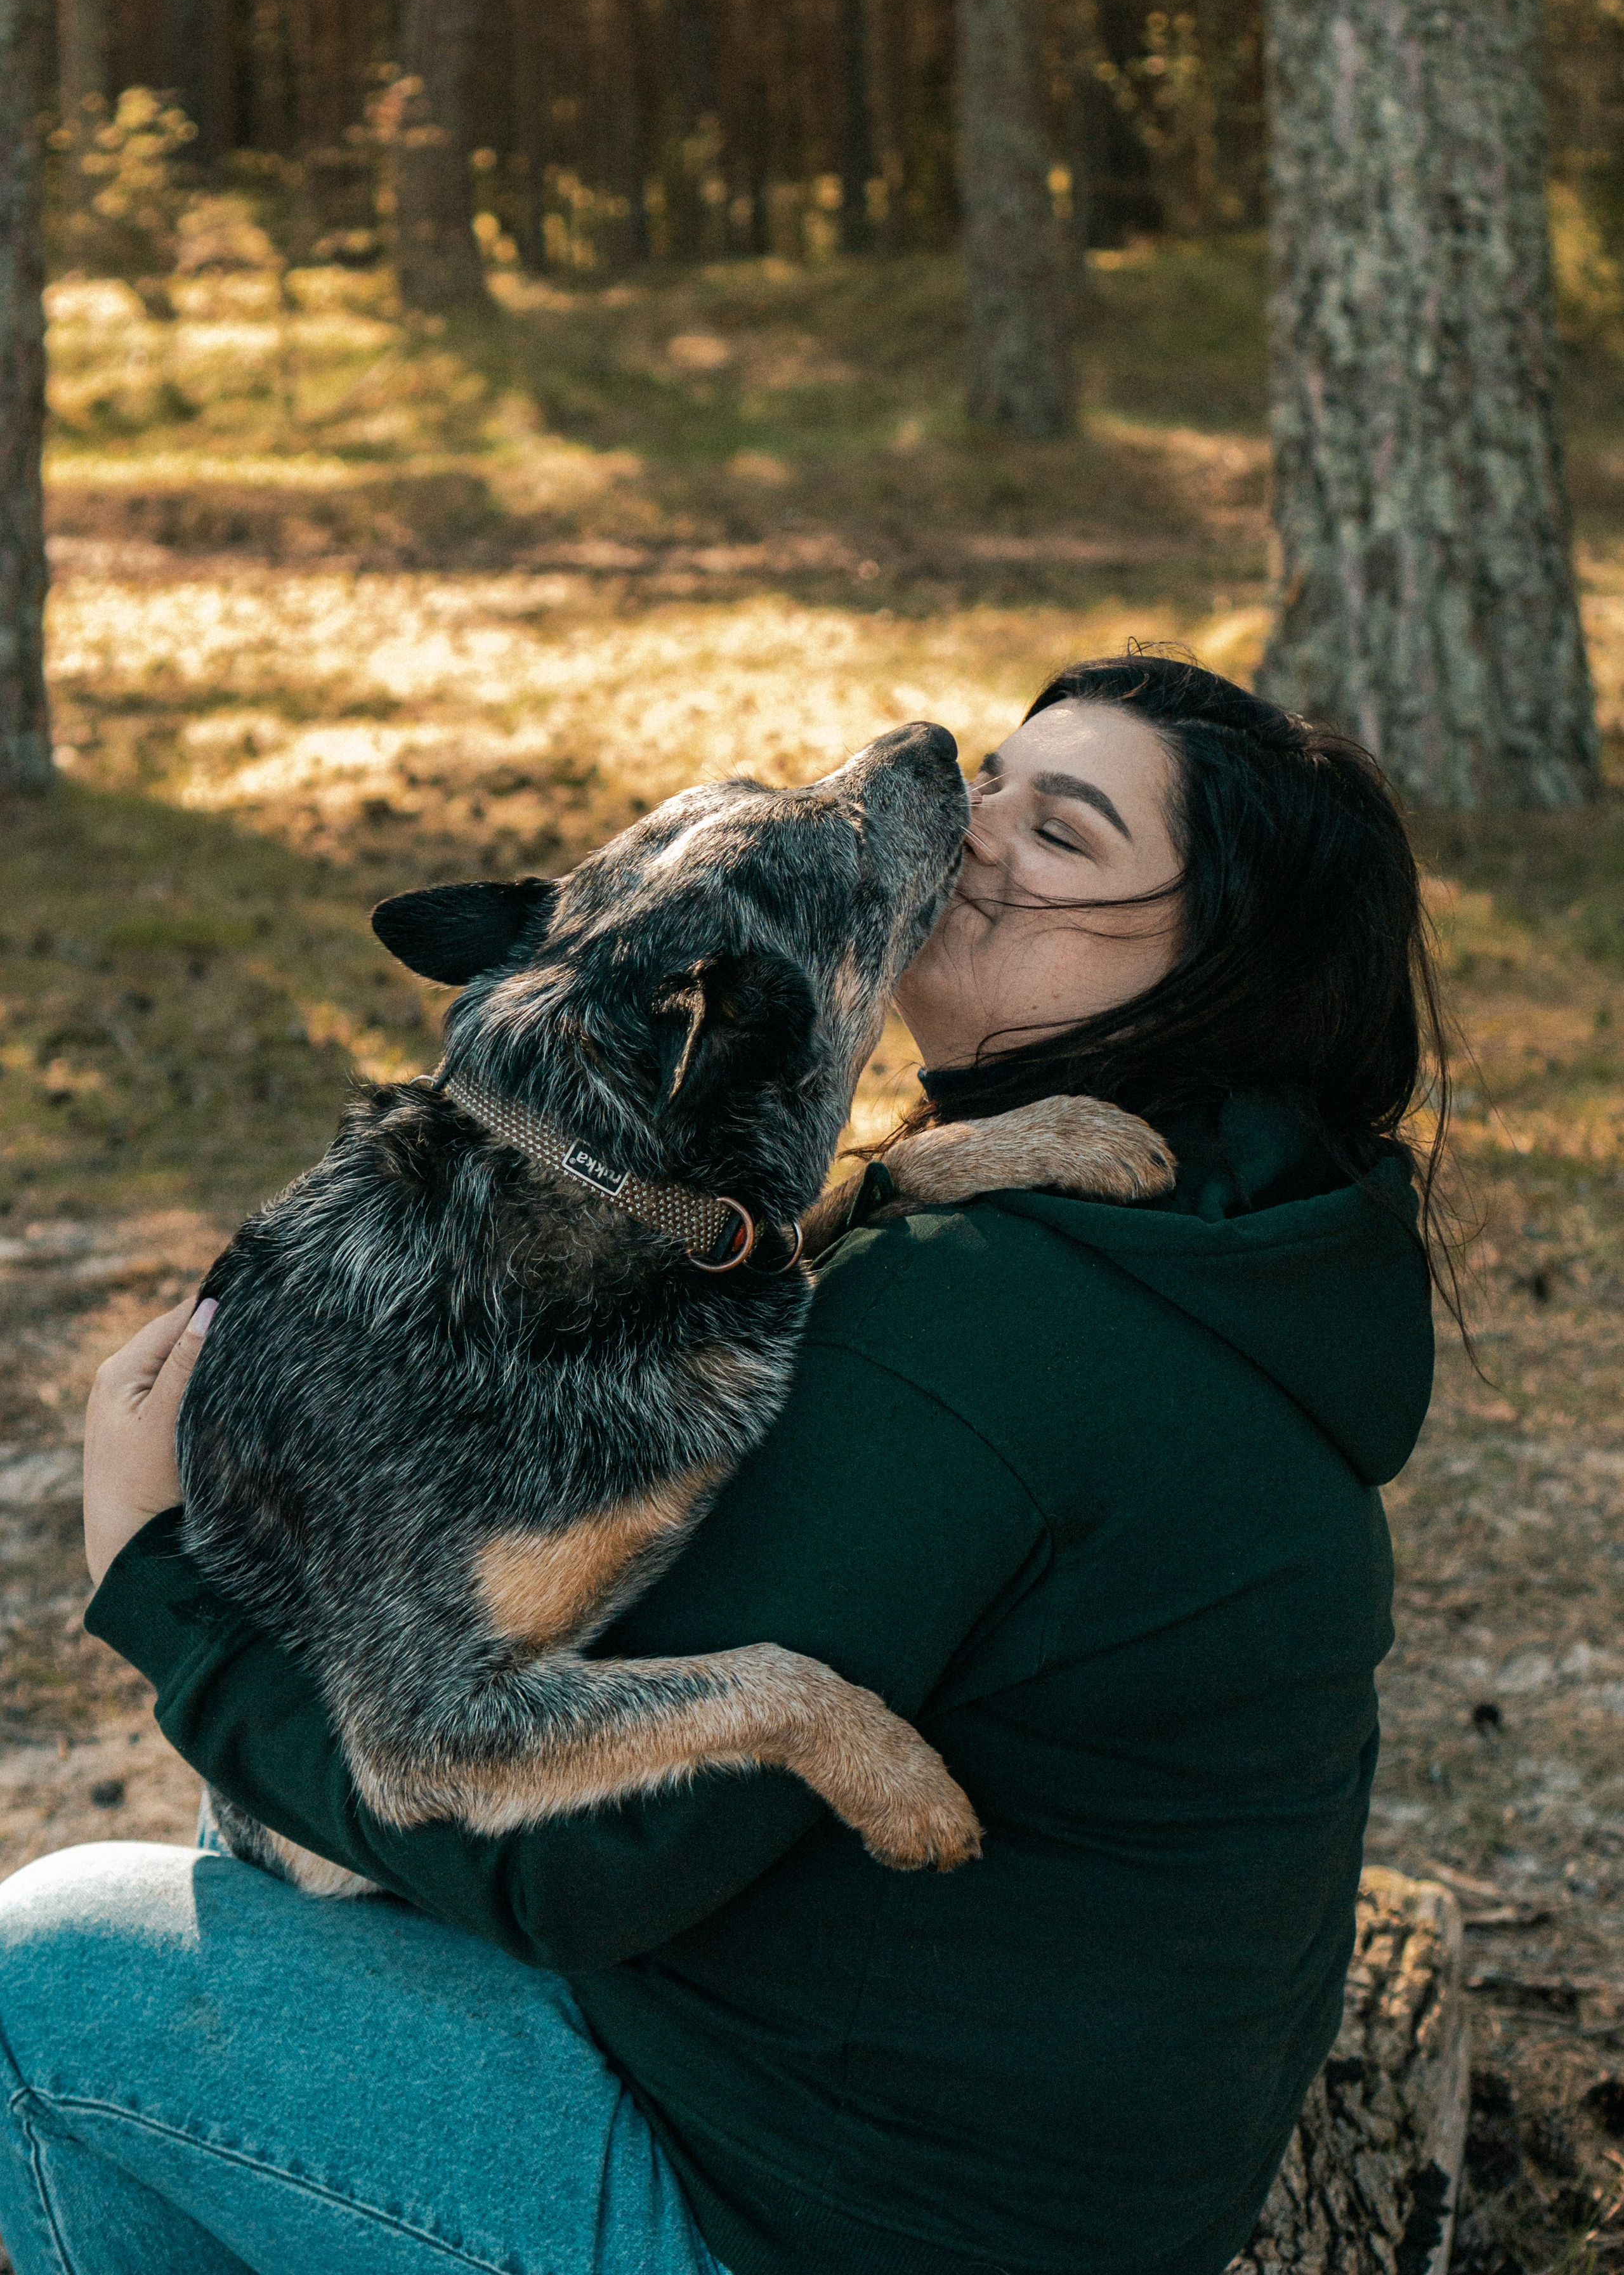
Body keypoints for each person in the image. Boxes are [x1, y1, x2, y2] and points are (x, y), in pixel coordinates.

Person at [0, 653, 1443, 2275]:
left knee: (45, 1987)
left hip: (802, 2217)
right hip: (969, 2172)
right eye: (993, 782)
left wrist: (160, 1589)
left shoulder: (980, 1335)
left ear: (1214, 967)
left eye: (1067, 832)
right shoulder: (1206, 1253)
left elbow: (570, 1871)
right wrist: (901, 1182)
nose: (970, 829)